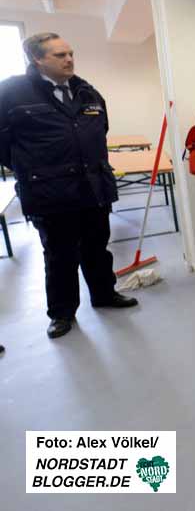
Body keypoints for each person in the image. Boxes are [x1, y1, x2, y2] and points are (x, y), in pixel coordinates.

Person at [0, 32, 137, 339]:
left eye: (71, 53)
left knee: (97, 247)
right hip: (50, 192)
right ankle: (62, 313)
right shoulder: (11, 93)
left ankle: (104, 294)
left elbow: (100, 129)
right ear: (37, 59)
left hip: (93, 187)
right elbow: (4, 146)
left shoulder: (86, 91)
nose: (69, 60)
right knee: (60, 255)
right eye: (60, 55)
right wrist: (32, 169)